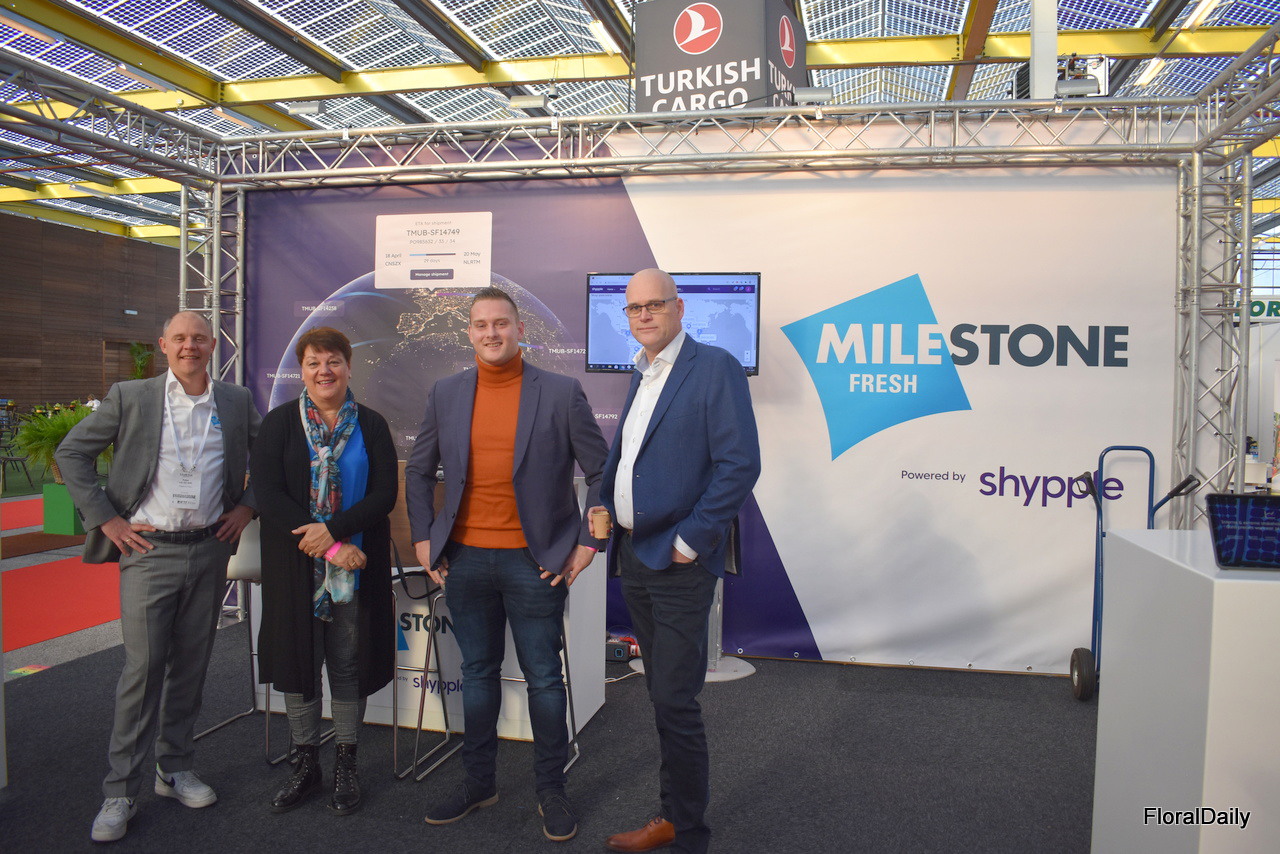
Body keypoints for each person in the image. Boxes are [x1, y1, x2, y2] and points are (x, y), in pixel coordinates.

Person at [405, 286, 609, 843]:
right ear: (469, 332)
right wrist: (423, 539)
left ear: (520, 329)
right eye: (481, 324)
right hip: (464, 560)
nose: (491, 333)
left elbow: (601, 473)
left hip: (535, 561)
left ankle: (551, 790)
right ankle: (479, 783)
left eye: (501, 323)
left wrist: (589, 544)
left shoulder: (561, 392)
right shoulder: (446, 392)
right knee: (477, 675)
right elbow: (418, 471)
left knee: (544, 678)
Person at [56, 310, 261, 843]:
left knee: (191, 667)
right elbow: (72, 452)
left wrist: (247, 506)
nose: (190, 346)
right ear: (164, 345)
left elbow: (270, 455)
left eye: (199, 338)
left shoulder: (235, 400)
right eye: (180, 338)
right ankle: (120, 790)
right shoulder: (132, 396)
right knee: (143, 671)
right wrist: (107, 519)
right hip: (148, 553)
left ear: (212, 346)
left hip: (210, 550)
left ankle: (174, 769)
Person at [597, 269, 761, 854]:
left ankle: (689, 834)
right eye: (634, 308)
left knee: (674, 699)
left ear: (679, 307)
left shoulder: (713, 367)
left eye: (654, 304)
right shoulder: (641, 372)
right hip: (635, 555)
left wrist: (689, 541)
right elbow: (629, 458)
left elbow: (739, 464)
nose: (643, 315)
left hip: (679, 561)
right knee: (661, 695)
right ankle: (671, 818)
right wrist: (604, 505)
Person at [251, 327, 397, 816]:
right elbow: (269, 495)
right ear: (302, 370)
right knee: (300, 663)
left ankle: (346, 763)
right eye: (313, 362)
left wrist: (334, 533)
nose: (324, 371)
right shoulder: (278, 424)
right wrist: (330, 545)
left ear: (349, 367)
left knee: (348, 663)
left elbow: (384, 495)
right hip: (296, 566)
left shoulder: (371, 424)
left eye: (333, 361)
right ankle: (306, 762)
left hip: (356, 567)